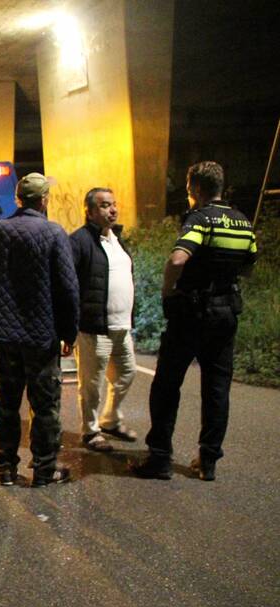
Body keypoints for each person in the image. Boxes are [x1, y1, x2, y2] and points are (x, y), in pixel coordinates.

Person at [133, 161, 258, 481]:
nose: (188, 196)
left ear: (197, 189)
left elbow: (178, 258)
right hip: (227, 313)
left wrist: (168, 291)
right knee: (217, 388)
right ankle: (208, 460)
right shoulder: (243, 222)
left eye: (189, 190)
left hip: (192, 313)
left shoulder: (201, 218)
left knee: (166, 384)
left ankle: (160, 458)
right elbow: (248, 266)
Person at [0, 173, 79, 487]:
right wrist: (69, 333)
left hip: (7, 337)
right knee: (45, 405)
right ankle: (45, 471)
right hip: (41, 334)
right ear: (45, 200)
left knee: (6, 404)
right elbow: (67, 288)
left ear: (18, 199)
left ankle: (7, 469)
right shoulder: (54, 233)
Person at [69, 188, 138, 453]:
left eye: (114, 204)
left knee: (127, 373)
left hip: (122, 326)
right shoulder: (80, 241)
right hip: (94, 327)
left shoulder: (117, 239)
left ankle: (110, 419)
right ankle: (90, 431)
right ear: (90, 211)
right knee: (92, 384)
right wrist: (71, 323)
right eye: (104, 205)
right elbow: (69, 284)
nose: (112, 210)